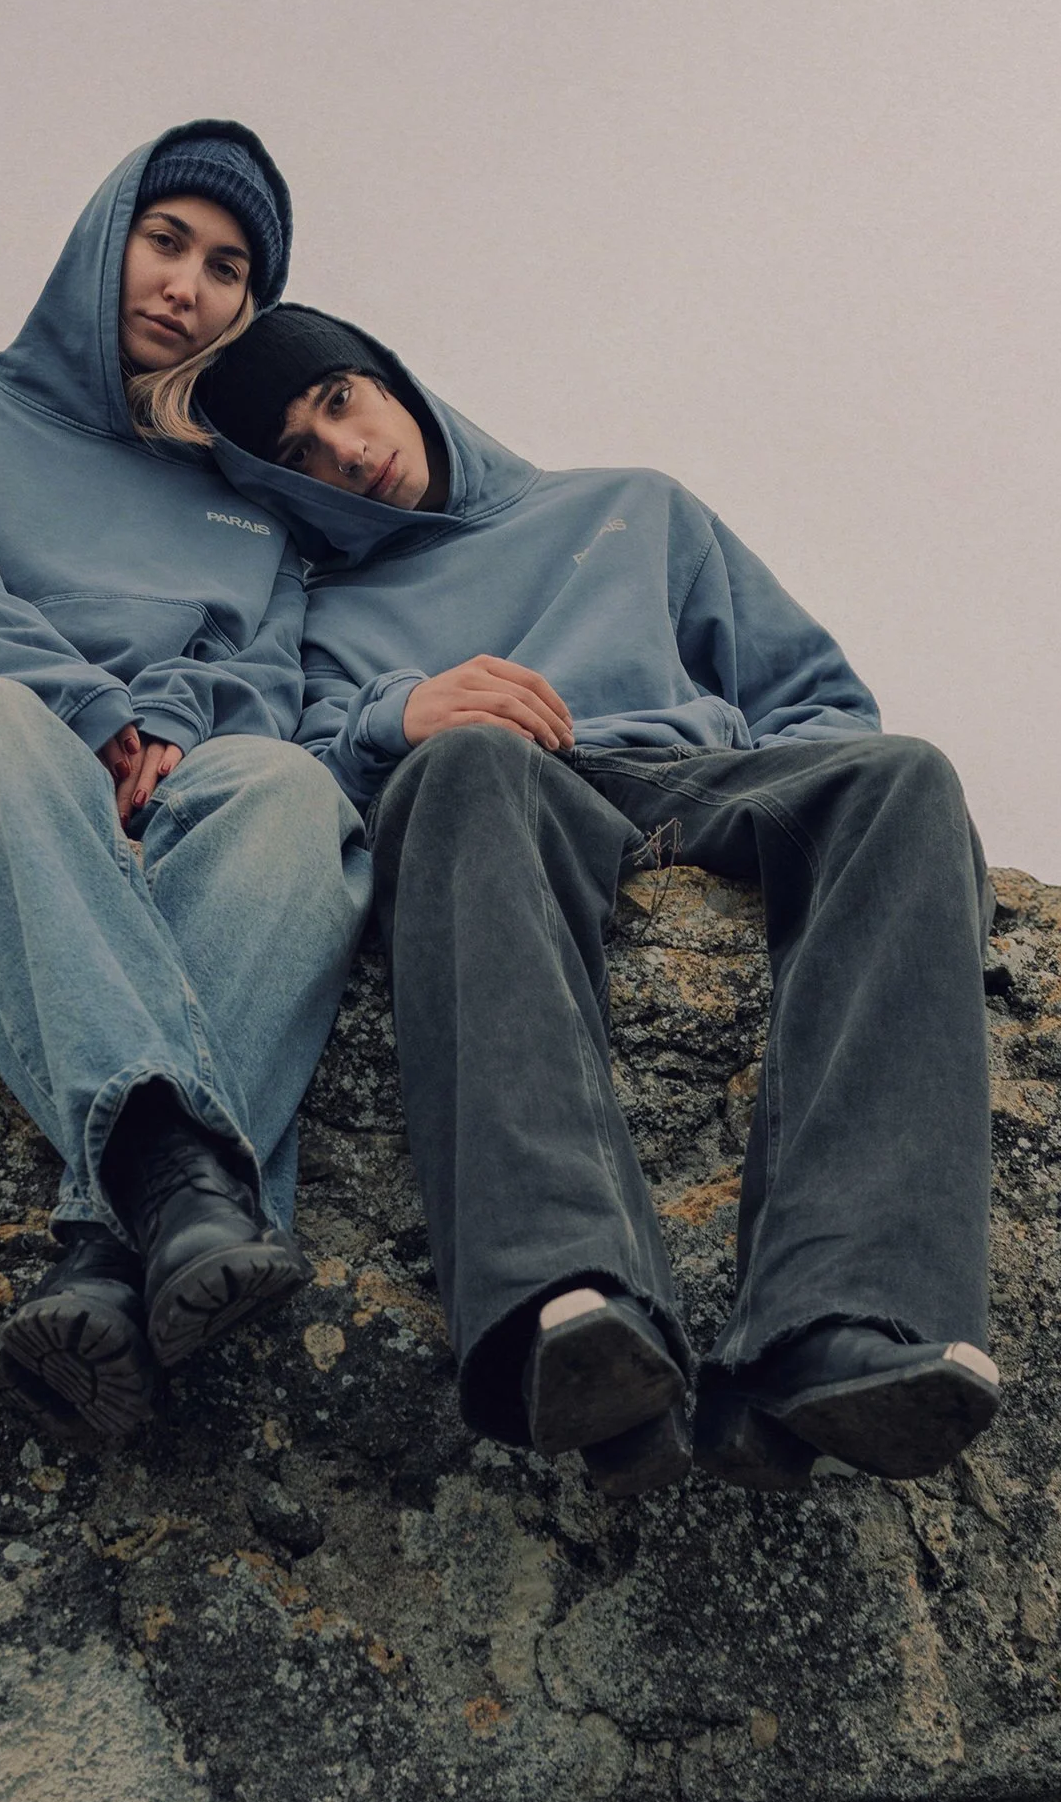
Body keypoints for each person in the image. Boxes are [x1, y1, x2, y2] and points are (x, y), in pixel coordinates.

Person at [193, 306, 999, 1497]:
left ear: (390, 378)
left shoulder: (635, 507)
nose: (347, 452)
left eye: (342, 400)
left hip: (691, 774)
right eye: (298, 453)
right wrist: (397, 711)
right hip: (502, 790)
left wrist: (739, 779)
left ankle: (842, 1319)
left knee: (905, 777)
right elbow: (285, 774)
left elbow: (819, 702)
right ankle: (569, 1300)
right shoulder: (315, 609)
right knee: (461, 767)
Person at [0, 128, 371, 1438]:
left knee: (290, 790)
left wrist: (167, 721)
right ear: (104, 239)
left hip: (166, 778)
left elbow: (263, 674)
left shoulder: (250, 508)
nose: (186, 285)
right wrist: (90, 712)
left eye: (226, 269)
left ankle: (111, 1260)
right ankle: (173, 1172)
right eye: (166, 241)